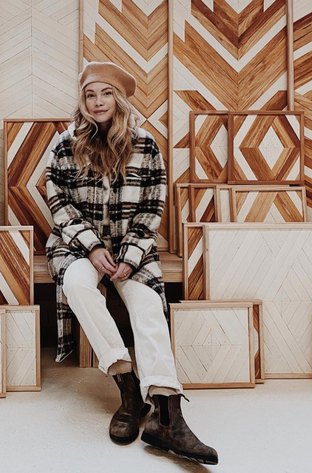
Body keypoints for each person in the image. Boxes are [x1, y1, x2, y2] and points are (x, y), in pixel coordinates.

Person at [45, 61, 218, 465]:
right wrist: (90, 247)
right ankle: (127, 387)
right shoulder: (64, 145)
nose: (97, 101)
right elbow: (60, 203)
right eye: (90, 94)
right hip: (76, 245)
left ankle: (166, 413)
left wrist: (133, 254)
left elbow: (152, 207)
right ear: (83, 101)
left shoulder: (145, 145)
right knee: (77, 286)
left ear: (118, 98)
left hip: (131, 245)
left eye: (105, 93)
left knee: (146, 306)